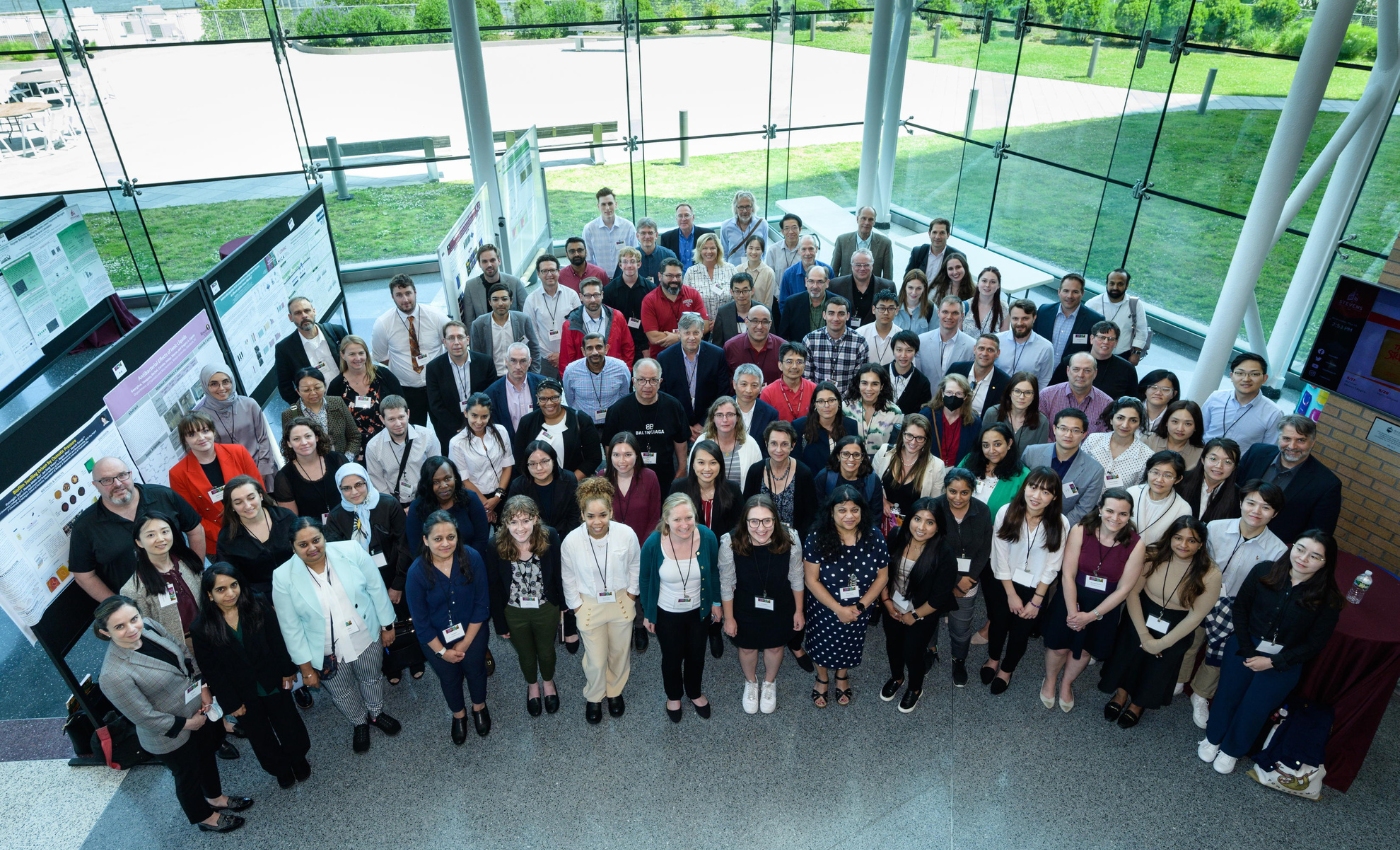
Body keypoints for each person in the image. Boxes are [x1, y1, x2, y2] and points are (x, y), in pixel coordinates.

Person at [94, 596, 251, 833]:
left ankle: (216, 798)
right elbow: (144, 716)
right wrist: (189, 723)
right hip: (171, 734)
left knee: (206, 758)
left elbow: (182, 653)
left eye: (133, 619)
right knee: (187, 775)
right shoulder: (113, 674)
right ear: (106, 633)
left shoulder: (149, 626)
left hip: (197, 709)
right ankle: (204, 817)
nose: (132, 628)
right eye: (119, 626)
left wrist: (203, 687)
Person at [1198, 530, 1341, 774]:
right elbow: (1241, 610)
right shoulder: (1264, 571)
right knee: (1228, 695)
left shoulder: (1328, 598)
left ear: (1326, 563)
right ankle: (1212, 738)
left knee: (1256, 708)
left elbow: (1314, 644)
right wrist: (1246, 648)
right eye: (1300, 548)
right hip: (1245, 645)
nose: (1304, 558)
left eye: (1315, 556)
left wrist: (1273, 662)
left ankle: (1232, 750)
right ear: (1292, 546)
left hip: (1285, 659)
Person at [273, 517, 401, 752]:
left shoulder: (350, 550)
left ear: (324, 537)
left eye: (316, 540)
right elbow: (290, 627)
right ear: (292, 547)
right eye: (303, 545)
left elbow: (376, 587)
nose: (312, 548)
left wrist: (387, 625)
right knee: (342, 691)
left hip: (365, 635)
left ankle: (376, 712)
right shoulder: (282, 577)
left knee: (371, 676)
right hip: (324, 650)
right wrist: (305, 668)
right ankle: (359, 721)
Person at [191, 564, 311, 789]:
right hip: (241, 693)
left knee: (289, 723)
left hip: (273, 680)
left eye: (234, 585)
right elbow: (212, 670)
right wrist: (231, 703)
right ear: (209, 594)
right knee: (260, 735)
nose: (230, 593)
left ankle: (298, 758)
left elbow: (277, 639)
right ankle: (280, 769)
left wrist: (287, 670)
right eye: (221, 589)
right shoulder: (201, 628)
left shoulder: (258, 603)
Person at [1098, 515, 1221, 728]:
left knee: (1157, 666)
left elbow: (1196, 615)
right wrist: (1144, 635)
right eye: (1178, 538)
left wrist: (1161, 643)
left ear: (1201, 544)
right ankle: (1120, 694)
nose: (1183, 545)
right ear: (1169, 538)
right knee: (1129, 655)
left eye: (1191, 540)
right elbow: (1133, 592)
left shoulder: (1210, 573)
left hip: (1177, 624)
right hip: (1140, 613)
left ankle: (1138, 703)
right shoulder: (1152, 555)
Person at [1182, 480, 1287, 728]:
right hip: (1200, 597)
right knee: (1188, 641)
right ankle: (1178, 679)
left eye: (1265, 507)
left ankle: (1201, 694)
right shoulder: (1215, 528)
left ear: (1275, 514)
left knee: (1216, 656)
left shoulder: (1278, 550)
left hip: (1236, 610)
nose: (1256, 511)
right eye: (1251, 502)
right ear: (1241, 502)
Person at [1041, 490, 1147, 712]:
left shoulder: (1136, 544)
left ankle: (1067, 684)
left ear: (1129, 516)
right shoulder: (1081, 530)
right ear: (1100, 509)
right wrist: (1073, 613)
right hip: (1071, 598)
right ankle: (1050, 680)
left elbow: (1124, 589)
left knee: (1085, 650)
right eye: (1110, 511)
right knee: (1059, 647)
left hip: (1104, 608)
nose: (1115, 518)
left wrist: (1091, 616)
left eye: (1123, 514)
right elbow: (1068, 574)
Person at [323, 463, 416, 683]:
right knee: (376, 626)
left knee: (404, 619)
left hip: (393, 573)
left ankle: (414, 659)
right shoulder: (336, 517)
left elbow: (405, 544)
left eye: (359, 485)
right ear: (339, 490)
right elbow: (337, 556)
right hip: (363, 583)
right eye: (346, 488)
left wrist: (398, 583)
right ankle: (391, 666)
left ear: (367, 481)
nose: (354, 492)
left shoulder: (387, 504)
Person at [406, 509, 493, 743]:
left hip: (473, 632)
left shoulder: (472, 557)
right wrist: (442, 652)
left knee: (475, 671)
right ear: (425, 540)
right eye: (438, 539)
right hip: (435, 640)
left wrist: (464, 643)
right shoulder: (416, 573)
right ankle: (459, 715)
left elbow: (482, 604)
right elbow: (421, 623)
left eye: (451, 537)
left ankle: (479, 707)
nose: (446, 544)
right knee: (449, 678)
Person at [562, 477, 643, 723]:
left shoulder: (626, 534)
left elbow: (635, 565)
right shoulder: (571, 541)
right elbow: (568, 577)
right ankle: (594, 695)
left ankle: (614, 691)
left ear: (611, 511)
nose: (597, 522)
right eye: (590, 516)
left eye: (603, 515)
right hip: (589, 604)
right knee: (596, 660)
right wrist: (576, 606)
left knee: (619, 653)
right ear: (582, 514)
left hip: (620, 601)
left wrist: (630, 594)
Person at [803, 485, 890, 707]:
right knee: (821, 643)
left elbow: (882, 577)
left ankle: (842, 675)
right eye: (842, 510)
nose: (849, 516)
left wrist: (860, 607)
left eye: (855, 510)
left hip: (860, 607)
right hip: (824, 606)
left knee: (850, 643)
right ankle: (822, 678)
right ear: (831, 512)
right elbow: (811, 580)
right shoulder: (817, 537)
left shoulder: (874, 536)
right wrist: (838, 609)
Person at [984, 468, 1068, 693]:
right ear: (1025, 487)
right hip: (1003, 583)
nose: (1036, 496)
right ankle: (993, 659)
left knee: (1021, 633)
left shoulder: (1060, 523)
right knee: (998, 624)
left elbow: (1053, 565)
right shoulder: (1006, 512)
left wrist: (1036, 601)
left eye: (1045, 492)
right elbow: (999, 556)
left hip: (1035, 589)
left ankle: (1006, 670)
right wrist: (1011, 594)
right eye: (1033, 487)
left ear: (1054, 497)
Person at [639, 494, 722, 721]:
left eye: (689, 518)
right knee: (672, 657)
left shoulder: (707, 537)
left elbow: (714, 571)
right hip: (667, 613)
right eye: (677, 519)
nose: (684, 525)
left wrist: (716, 602)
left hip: (699, 610)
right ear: (666, 519)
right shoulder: (653, 543)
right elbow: (645, 580)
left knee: (697, 655)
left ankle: (694, 692)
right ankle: (673, 695)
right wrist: (648, 613)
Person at [719, 495, 804, 714]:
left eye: (767, 521)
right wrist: (729, 618)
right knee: (747, 647)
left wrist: (798, 611)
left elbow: (796, 577)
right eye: (754, 521)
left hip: (780, 604)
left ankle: (769, 683)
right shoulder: (730, 542)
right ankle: (751, 682)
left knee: (775, 646)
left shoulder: (791, 538)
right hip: (744, 605)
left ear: (775, 520)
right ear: (745, 522)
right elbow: (727, 583)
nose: (761, 528)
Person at [485, 496, 563, 717]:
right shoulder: (495, 545)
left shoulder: (550, 537)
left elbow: (558, 574)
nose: (520, 528)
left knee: (547, 651)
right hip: (514, 611)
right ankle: (532, 686)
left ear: (536, 519)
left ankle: (548, 683)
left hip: (546, 607)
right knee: (526, 655)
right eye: (513, 522)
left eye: (526, 521)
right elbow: (494, 586)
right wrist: (500, 623)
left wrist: (564, 608)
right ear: (505, 524)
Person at [879, 498, 957, 712]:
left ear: (938, 525)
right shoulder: (896, 536)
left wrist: (912, 616)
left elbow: (939, 598)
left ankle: (914, 688)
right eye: (917, 519)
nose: (921, 527)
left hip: (921, 613)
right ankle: (897, 678)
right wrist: (886, 602)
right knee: (892, 646)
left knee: (913, 652)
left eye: (929, 522)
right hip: (891, 606)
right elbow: (883, 573)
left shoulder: (944, 553)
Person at [168, 412, 261, 559]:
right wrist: (229, 535)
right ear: (185, 440)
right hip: (219, 542)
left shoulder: (238, 452)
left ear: (213, 431)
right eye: (192, 434)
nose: (201, 438)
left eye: (205, 431)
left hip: (256, 524)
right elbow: (192, 517)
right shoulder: (177, 474)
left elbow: (259, 489)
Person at [1235, 414, 1341, 544]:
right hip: (1231, 532)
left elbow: (1318, 533)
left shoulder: (1327, 484)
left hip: (1276, 550)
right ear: (1278, 438)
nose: (1292, 446)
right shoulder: (1256, 453)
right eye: (1286, 438)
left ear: (1312, 442)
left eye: (1301, 440)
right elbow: (1232, 491)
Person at [931, 469, 993, 687]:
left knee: (961, 627)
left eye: (964, 493)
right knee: (930, 620)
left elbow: (985, 549)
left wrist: (969, 578)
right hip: (936, 579)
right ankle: (931, 650)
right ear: (945, 489)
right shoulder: (934, 507)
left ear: (972, 491)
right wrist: (955, 578)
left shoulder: (982, 511)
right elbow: (930, 548)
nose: (958, 498)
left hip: (968, 582)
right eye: (952, 491)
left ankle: (959, 660)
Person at [120, 512, 205, 653]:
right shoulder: (133, 589)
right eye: (151, 535)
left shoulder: (187, 561)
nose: (160, 539)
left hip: (211, 632)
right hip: (180, 647)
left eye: (165, 531)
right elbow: (145, 631)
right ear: (139, 542)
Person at [370, 274, 447, 426]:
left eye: (408, 293)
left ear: (415, 292)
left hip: (438, 386)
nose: (405, 299)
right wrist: (406, 369)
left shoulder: (437, 317)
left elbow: (451, 345)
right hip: (407, 390)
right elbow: (380, 356)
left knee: (446, 430)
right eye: (399, 295)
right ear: (392, 297)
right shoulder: (383, 324)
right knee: (413, 435)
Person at [602, 357, 690, 486]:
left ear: (660, 382)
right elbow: (609, 445)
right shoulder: (618, 410)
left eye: (653, 380)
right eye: (642, 380)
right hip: (628, 475)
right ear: (633, 381)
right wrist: (613, 472)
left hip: (665, 475)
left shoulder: (673, 406)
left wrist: (682, 470)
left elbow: (681, 441)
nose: (647, 385)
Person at [193, 363, 277, 489]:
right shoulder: (199, 416)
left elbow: (263, 439)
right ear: (205, 386)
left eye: (226, 382)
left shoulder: (249, 404)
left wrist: (262, 472)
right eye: (214, 384)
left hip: (262, 470)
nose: (221, 388)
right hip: (230, 479)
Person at [217, 476, 299, 601]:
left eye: (251, 498)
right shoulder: (227, 538)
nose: (247, 505)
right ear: (232, 506)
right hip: (262, 600)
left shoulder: (286, 517)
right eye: (238, 502)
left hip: (301, 586)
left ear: (260, 495)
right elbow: (233, 579)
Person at [424, 320, 498, 451]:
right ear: (444, 342)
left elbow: (491, 396)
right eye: (451, 338)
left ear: (468, 339)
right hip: (451, 429)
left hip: (483, 424)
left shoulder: (485, 362)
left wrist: (478, 421)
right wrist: (458, 427)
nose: (456, 342)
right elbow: (435, 404)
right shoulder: (433, 368)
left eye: (460, 337)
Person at [1021, 409, 1104, 524]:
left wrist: (1057, 527)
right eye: (1063, 428)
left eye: (1075, 430)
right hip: (1023, 519)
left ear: (1084, 434)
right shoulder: (1031, 453)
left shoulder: (1095, 470)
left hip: (1060, 528)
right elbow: (1019, 488)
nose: (1068, 435)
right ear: (1054, 429)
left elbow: (1083, 508)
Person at [328, 334, 403, 458]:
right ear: (342, 355)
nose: (358, 358)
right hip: (357, 449)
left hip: (390, 440)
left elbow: (402, 404)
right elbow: (335, 422)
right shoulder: (336, 386)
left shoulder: (383, 375)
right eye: (352, 354)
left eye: (361, 353)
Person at [512, 378, 602, 482]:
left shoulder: (581, 419)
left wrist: (570, 480)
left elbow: (594, 458)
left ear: (561, 397)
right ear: (537, 399)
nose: (549, 403)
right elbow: (520, 459)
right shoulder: (527, 422)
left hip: (574, 484)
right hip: (537, 485)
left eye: (554, 398)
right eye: (543, 399)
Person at [743, 420, 820, 540]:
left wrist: (797, 542)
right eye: (773, 443)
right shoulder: (755, 471)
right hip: (759, 538)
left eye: (784, 444)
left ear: (793, 445)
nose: (778, 450)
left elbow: (811, 515)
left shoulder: (803, 473)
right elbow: (746, 509)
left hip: (795, 541)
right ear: (766, 443)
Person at [364, 395, 442, 510]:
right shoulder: (373, 446)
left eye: (401, 417)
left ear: (408, 414)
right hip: (393, 504)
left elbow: (437, 473)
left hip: (426, 499)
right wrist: (396, 509)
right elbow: (378, 483)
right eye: (391, 419)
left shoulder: (428, 437)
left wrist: (421, 503)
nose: (398, 423)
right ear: (382, 419)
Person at [405, 456, 490, 562]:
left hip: (471, 562)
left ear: (455, 477)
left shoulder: (470, 499)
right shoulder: (417, 507)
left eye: (447, 478)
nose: (444, 485)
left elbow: (481, 540)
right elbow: (416, 549)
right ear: (427, 484)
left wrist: (465, 564)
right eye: (436, 482)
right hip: (433, 568)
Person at [658, 312, 728, 438]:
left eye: (696, 333)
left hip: (710, 426)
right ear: (679, 333)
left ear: (702, 332)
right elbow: (663, 396)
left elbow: (722, 393)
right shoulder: (664, 358)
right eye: (687, 333)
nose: (692, 337)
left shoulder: (717, 355)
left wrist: (703, 423)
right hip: (676, 427)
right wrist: (684, 425)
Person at [447, 393, 514, 523]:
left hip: (501, 493)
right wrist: (487, 506)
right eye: (474, 416)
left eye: (484, 417)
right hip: (474, 499)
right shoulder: (456, 443)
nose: (479, 422)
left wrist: (497, 497)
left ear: (490, 415)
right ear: (466, 413)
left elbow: (507, 465)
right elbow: (463, 480)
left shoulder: (501, 432)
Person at [1201, 351, 1283, 455]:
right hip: (1203, 459)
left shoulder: (1274, 414)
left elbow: (1268, 452)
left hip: (1240, 468)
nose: (1246, 379)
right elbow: (1200, 430)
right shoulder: (1215, 398)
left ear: (1264, 378)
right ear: (1231, 376)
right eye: (1240, 373)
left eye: (1254, 374)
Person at [871, 414, 945, 522]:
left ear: (926, 440)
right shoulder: (884, 452)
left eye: (919, 438)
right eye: (909, 435)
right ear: (902, 434)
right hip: (881, 522)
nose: (913, 442)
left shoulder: (937, 466)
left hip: (914, 528)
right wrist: (882, 500)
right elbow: (871, 484)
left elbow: (935, 505)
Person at [274, 295, 346, 405]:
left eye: (307, 310)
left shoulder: (336, 332)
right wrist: (304, 408)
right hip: (319, 404)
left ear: (314, 311)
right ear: (290, 317)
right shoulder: (284, 349)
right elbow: (285, 387)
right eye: (298, 313)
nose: (304, 316)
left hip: (348, 393)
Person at [272, 417, 347, 521]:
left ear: (316, 437)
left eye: (308, 436)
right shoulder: (284, 477)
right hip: (313, 533)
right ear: (289, 443)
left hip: (348, 524)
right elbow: (292, 521)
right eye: (296, 439)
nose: (304, 442)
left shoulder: (337, 460)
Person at [524, 252, 582, 378]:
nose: (549, 274)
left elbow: (579, 328)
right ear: (538, 274)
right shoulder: (531, 300)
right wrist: (549, 355)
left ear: (559, 272)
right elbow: (531, 333)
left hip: (571, 357)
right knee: (548, 394)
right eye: (544, 271)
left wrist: (563, 354)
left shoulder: (571, 295)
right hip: (545, 360)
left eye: (552, 270)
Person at [671, 439, 746, 538]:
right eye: (701, 463)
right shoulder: (678, 488)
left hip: (725, 548)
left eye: (713, 463)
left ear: (720, 465)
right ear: (693, 464)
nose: (707, 468)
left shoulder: (733, 489)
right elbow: (669, 521)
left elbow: (741, 525)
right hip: (687, 546)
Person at [1049, 321, 1139, 402]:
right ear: (1092, 339)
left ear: (1116, 343)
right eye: (1101, 337)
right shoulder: (1071, 361)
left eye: (1111, 339)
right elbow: (1052, 390)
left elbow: (1132, 402)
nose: (1106, 342)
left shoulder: (1127, 369)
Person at [507, 441, 582, 538]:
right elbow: (514, 519)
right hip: (532, 539)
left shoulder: (569, 479)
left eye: (544, 461)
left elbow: (575, 514)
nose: (539, 468)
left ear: (553, 461)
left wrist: (565, 540)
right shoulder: (518, 486)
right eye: (532, 464)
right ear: (527, 466)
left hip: (566, 536)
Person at [561, 276, 635, 373]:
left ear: (602, 295)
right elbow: (566, 360)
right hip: (583, 378)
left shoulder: (618, 317)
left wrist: (624, 373)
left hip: (614, 374)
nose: (592, 300)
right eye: (588, 295)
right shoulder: (570, 325)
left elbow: (628, 348)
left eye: (596, 295)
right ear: (581, 297)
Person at [281, 367, 360, 458]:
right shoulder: (289, 415)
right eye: (306, 390)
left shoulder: (337, 402)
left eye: (317, 387)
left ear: (325, 386)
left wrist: (346, 460)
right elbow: (289, 449)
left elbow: (354, 436)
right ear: (298, 392)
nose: (313, 393)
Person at [959, 421, 1030, 519]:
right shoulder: (969, 461)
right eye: (986, 445)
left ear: (1009, 443)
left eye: (997, 444)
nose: (991, 451)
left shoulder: (1022, 475)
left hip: (997, 531)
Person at [642, 257, 710, 358]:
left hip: (693, 355)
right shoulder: (649, 300)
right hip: (662, 357)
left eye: (678, 276)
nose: (674, 280)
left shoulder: (693, 294)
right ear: (660, 276)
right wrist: (687, 336)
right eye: (669, 276)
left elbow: (705, 325)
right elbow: (653, 336)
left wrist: (678, 337)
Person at [471, 283, 543, 377]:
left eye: (504, 299)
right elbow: (476, 357)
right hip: (492, 378)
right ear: (489, 302)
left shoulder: (523, 320)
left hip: (520, 375)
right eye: (495, 299)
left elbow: (534, 349)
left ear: (511, 301)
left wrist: (533, 375)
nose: (500, 303)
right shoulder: (478, 324)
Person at [1081, 397, 1153, 489]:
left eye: (1133, 420)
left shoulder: (1147, 456)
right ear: (1111, 419)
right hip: (1082, 501)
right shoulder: (1093, 440)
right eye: (1120, 418)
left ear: (1139, 424)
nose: (1125, 425)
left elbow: (1138, 491)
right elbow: (1076, 473)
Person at [483, 342, 547, 444]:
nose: (518, 366)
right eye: (513, 361)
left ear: (530, 362)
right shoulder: (492, 393)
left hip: (541, 446)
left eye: (523, 361)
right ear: (506, 361)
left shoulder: (544, 384)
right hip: (508, 448)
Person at [1034, 273, 1105, 364]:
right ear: (1059, 292)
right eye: (1066, 291)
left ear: (1082, 293)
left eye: (1075, 292)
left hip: (1070, 375)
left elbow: (1093, 353)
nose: (1069, 296)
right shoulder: (1044, 311)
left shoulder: (1095, 320)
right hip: (1039, 369)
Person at [1085, 268, 1151, 364]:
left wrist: (1136, 353)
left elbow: (1141, 331)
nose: (1115, 287)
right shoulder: (1092, 304)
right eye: (1112, 283)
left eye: (1120, 284)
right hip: (1095, 355)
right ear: (1106, 284)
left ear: (1127, 285)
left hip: (1123, 356)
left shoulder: (1135, 304)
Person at [803, 295, 869, 392]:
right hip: (818, 399)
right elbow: (806, 377)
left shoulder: (859, 343)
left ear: (848, 316)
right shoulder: (810, 340)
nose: (836, 318)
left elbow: (859, 380)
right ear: (824, 315)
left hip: (848, 402)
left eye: (841, 314)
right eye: (831, 313)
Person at [693, 396, 763, 486]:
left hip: (741, 499)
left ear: (737, 417)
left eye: (730, 414)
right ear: (712, 418)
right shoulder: (702, 441)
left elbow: (758, 479)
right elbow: (692, 475)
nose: (725, 420)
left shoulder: (750, 444)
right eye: (719, 415)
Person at [1126, 450, 1191, 546]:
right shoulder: (1132, 493)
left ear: (1178, 479)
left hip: (1155, 556)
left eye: (1168, 475)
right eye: (1155, 472)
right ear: (1148, 471)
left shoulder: (1183, 508)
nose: (1159, 480)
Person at [602, 247, 656, 363]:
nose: (629, 265)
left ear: (639, 264)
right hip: (619, 344)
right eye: (625, 262)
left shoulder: (650, 289)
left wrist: (647, 346)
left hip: (644, 344)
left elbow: (654, 320)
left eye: (632, 261)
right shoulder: (609, 291)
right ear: (620, 265)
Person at [981, 373, 1049, 464]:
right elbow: (981, 448)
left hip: (1024, 474)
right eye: (1017, 391)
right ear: (1009, 392)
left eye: (1028, 393)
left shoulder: (1042, 421)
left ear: (1034, 396)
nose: (1022, 397)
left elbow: (1039, 457)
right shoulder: (992, 414)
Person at [1039, 353, 1113, 435]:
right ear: (1068, 371)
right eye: (1076, 369)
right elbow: (1039, 433)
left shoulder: (1106, 403)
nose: (1081, 375)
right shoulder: (1046, 396)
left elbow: (1106, 438)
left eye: (1087, 370)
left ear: (1095, 373)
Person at [794, 382, 859, 474]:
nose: (826, 405)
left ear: (839, 403)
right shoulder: (799, 426)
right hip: (810, 482)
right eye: (821, 401)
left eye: (831, 400)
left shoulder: (850, 425)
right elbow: (796, 462)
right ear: (815, 405)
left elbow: (855, 458)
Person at [458, 243, 529, 326]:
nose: (489, 265)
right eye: (484, 261)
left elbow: (527, 312)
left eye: (492, 260)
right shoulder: (471, 287)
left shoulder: (514, 282)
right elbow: (470, 322)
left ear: (499, 261)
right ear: (479, 264)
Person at [916, 296, 976, 390]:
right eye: (945, 312)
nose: (949, 317)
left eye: (955, 313)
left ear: (962, 316)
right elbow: (917, 375)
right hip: (925, 400)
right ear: (938, 312)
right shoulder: (921, 341)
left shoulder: (971, 345)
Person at [1177, 438, 1243, 523]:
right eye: (1213, 459)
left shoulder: (1238, 497)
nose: (1219, 466)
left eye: (1227, 462)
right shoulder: (1180, 480)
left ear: (1234, 467)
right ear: (1203, 459)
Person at [844, 363, 903, 455]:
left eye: (874, 384)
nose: (869, 388)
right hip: (850, 462)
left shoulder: (895, 413)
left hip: (881, 464)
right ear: (858, 384)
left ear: (882, 386)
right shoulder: (845, 407)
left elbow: (895, 448)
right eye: (864, 383)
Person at [996, 299, 1056, 389]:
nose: (1020, 323)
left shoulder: (1046, 347)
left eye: (1025, 318)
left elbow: (1044, 380)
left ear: (1034, 318)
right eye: (1015, 318)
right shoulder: (997, 340)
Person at [927, 373, 981, 469]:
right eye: (949, 392)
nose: (953, 396)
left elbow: (974, 453)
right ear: (942, 393)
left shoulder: (974, 422)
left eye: (959, 393)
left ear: (965, 397)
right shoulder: (927, 415)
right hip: (929, 471)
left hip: (958, 474)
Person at [947, 334, 1010, 417]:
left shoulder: (1004, 382)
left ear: (998, 353)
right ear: (974, 349)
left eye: (990, 350)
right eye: (981, 348)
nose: (984, 353)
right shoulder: (956, 369)